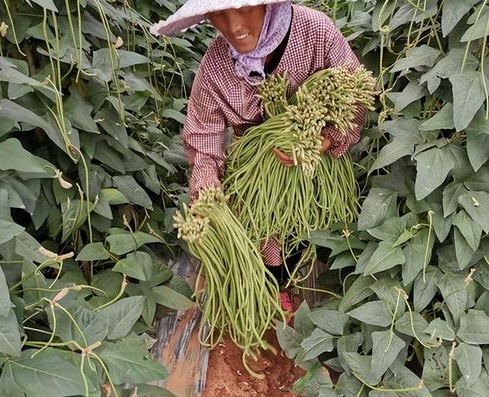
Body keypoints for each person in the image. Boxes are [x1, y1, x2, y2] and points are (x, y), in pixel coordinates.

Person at [151, 0, 367, 312]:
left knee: (308, 224)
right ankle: (269, 283)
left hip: (314, 168)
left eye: (243, 8)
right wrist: (208, 191)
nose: (233, 26)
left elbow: (356, 95)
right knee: (262, 224)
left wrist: (323, 139)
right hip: (255, 172)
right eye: (219, 14)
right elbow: (204, 138)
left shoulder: (314, 30)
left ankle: (301, 267)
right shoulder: (215, 67)